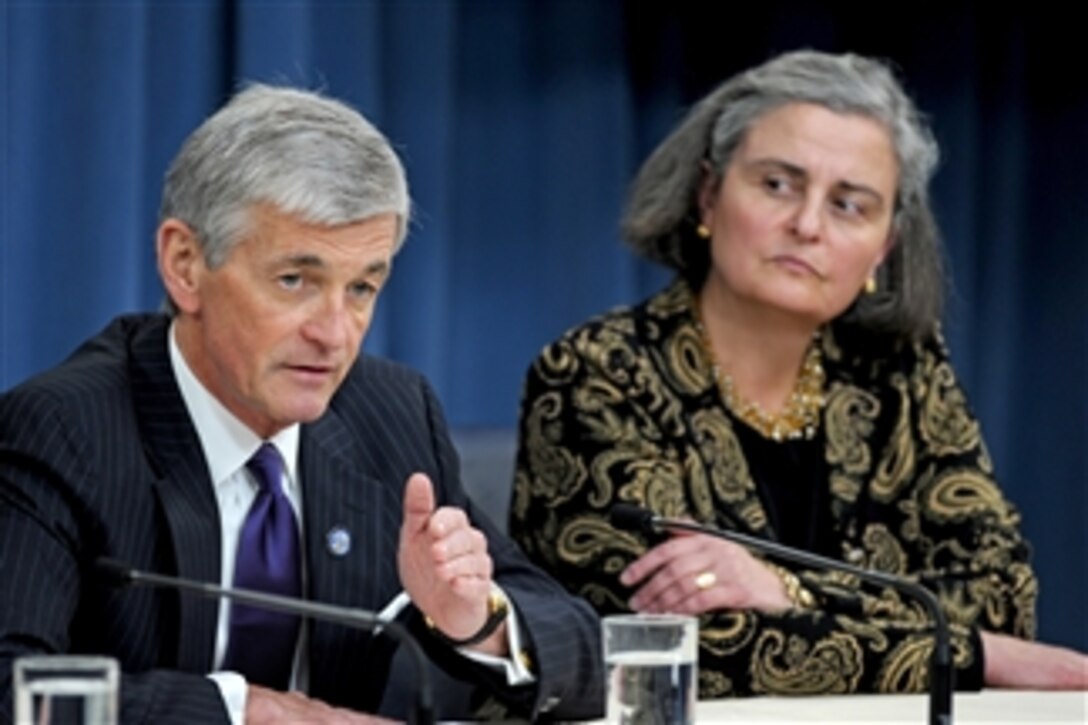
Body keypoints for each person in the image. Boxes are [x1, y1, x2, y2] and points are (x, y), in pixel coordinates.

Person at [0, 85, 603, 724]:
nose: (335, 333)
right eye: (295, 281)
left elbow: (582, 652)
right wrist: (244, 711)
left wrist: (475, 620)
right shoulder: (64, 431)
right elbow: (11, 686)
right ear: (184, 265)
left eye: (363, 287)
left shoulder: (387, 413)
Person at [509, 51, 1088, 697]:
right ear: (708, 194)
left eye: (849, 204)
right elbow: (674, 642)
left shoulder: (900, 370)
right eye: (778, 184)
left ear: (885, 246)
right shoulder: (596, 374)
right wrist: (980, 656)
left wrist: (783, 587)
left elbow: (1001, 596)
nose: (807, 225)